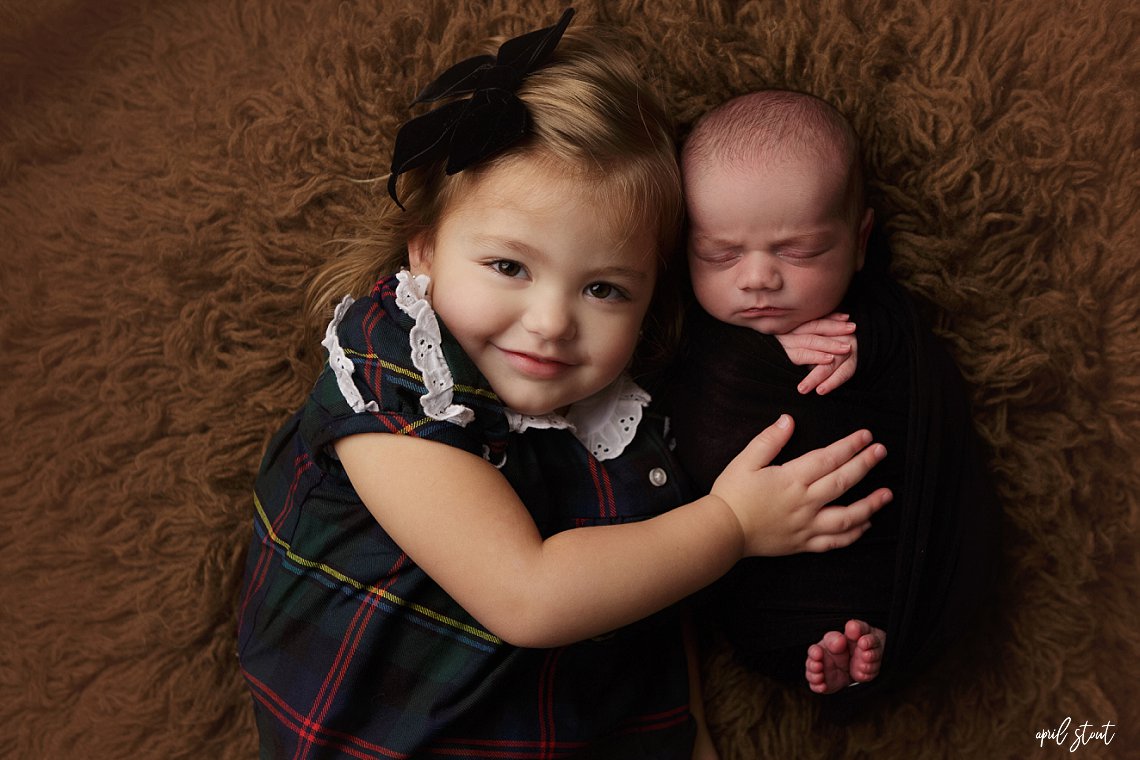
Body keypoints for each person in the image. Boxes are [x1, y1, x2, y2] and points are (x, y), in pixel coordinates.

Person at [236, 14, 893, 759]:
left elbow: (647, 592)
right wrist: (733, 527)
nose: (551, 324)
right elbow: (528, 596)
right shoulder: (396, 372)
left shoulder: (628, 417)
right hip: (377, 735)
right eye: (509, 267)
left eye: (605, 289)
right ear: (423, 248)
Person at [668, 89, 999, 715]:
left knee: (888, 563)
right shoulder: (692, 337)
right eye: (719, 254)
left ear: (861, 237)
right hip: (758, 579)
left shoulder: (874, 319)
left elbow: (919, 377)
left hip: (885, 556)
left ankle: (871, 637)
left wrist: (867, 343)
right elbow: (676, 381)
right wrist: (752, 355)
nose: (758, 278)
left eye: (800, 252)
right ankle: (823, 646)